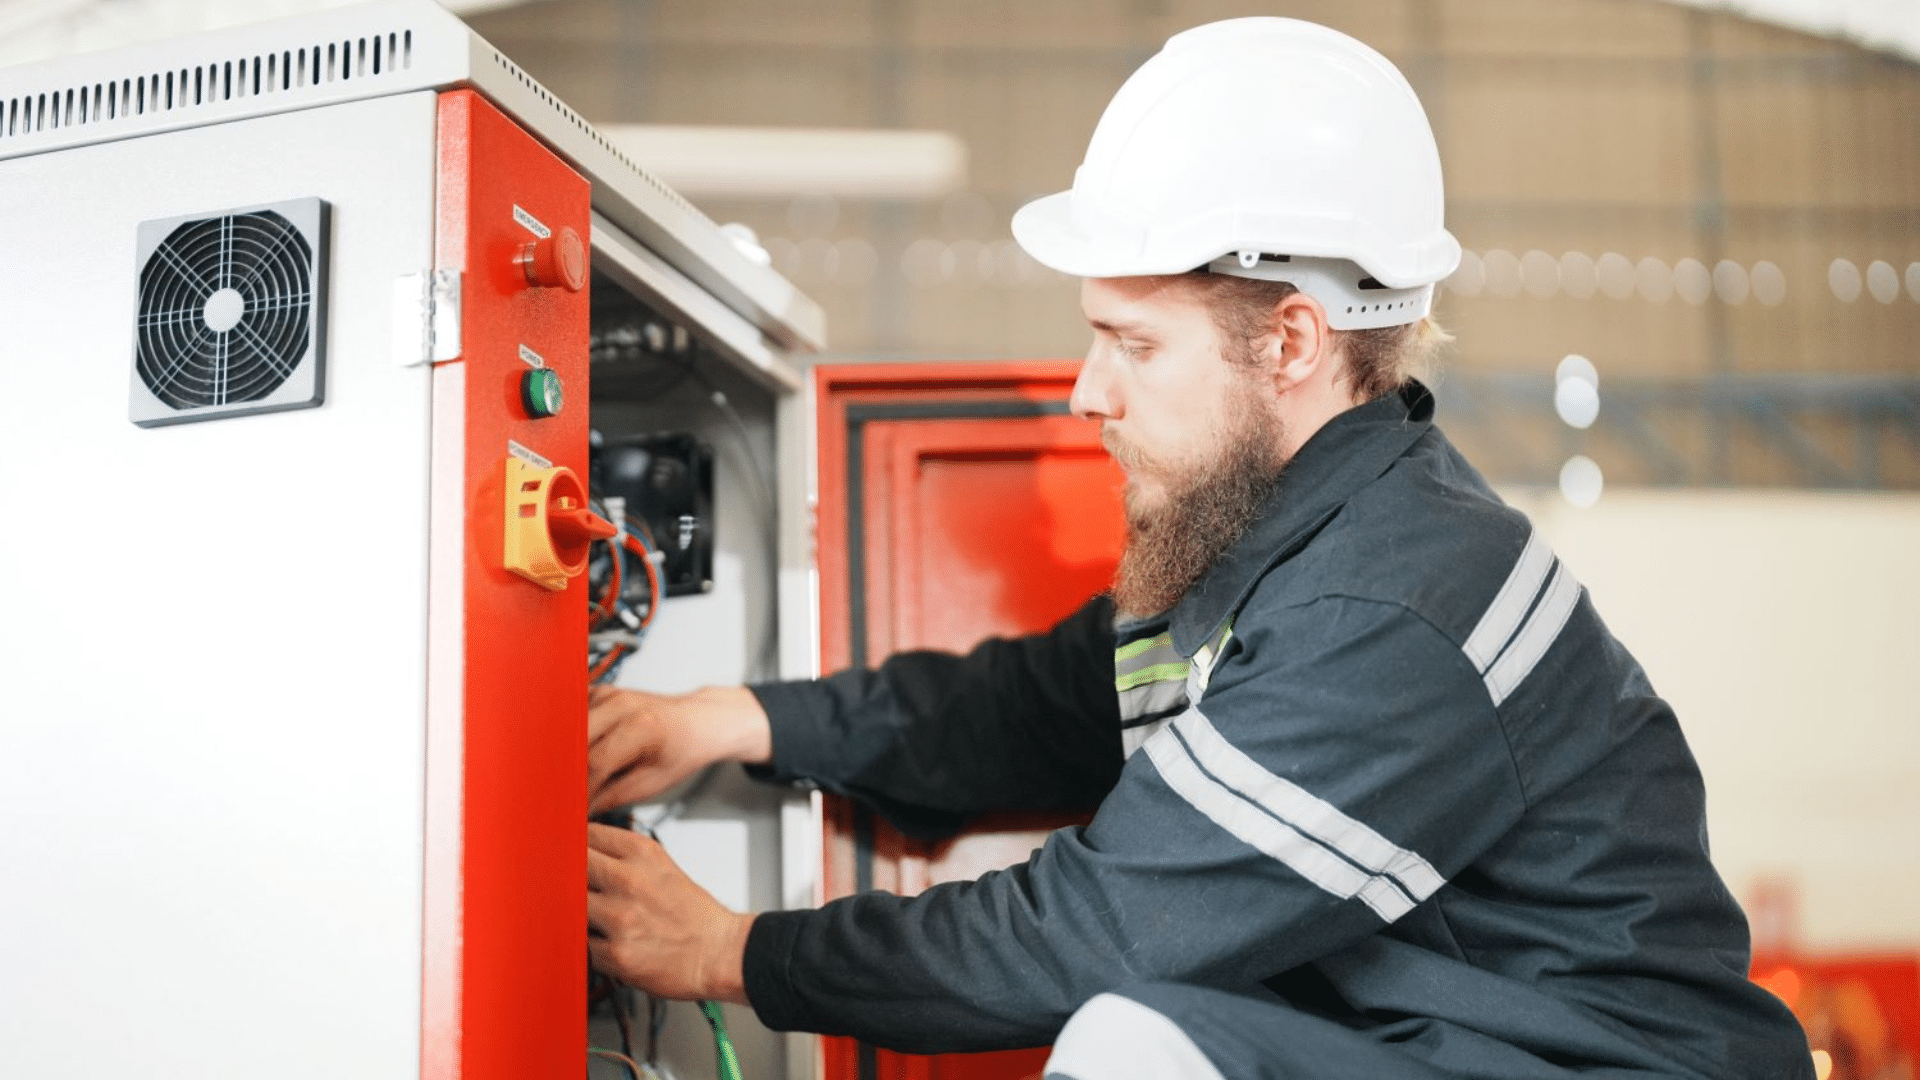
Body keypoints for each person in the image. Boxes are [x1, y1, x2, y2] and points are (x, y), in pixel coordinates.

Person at [585, 17, 1813, 1079]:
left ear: (1290, 342)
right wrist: (734, 719)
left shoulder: (1389, 609)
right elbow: (1023, 706)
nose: (1085, 390)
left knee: (1140, 1050)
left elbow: (1090, 933)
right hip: (1451, 1054)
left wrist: (730, 951)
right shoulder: (1265, 553)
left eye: (1135, 343)